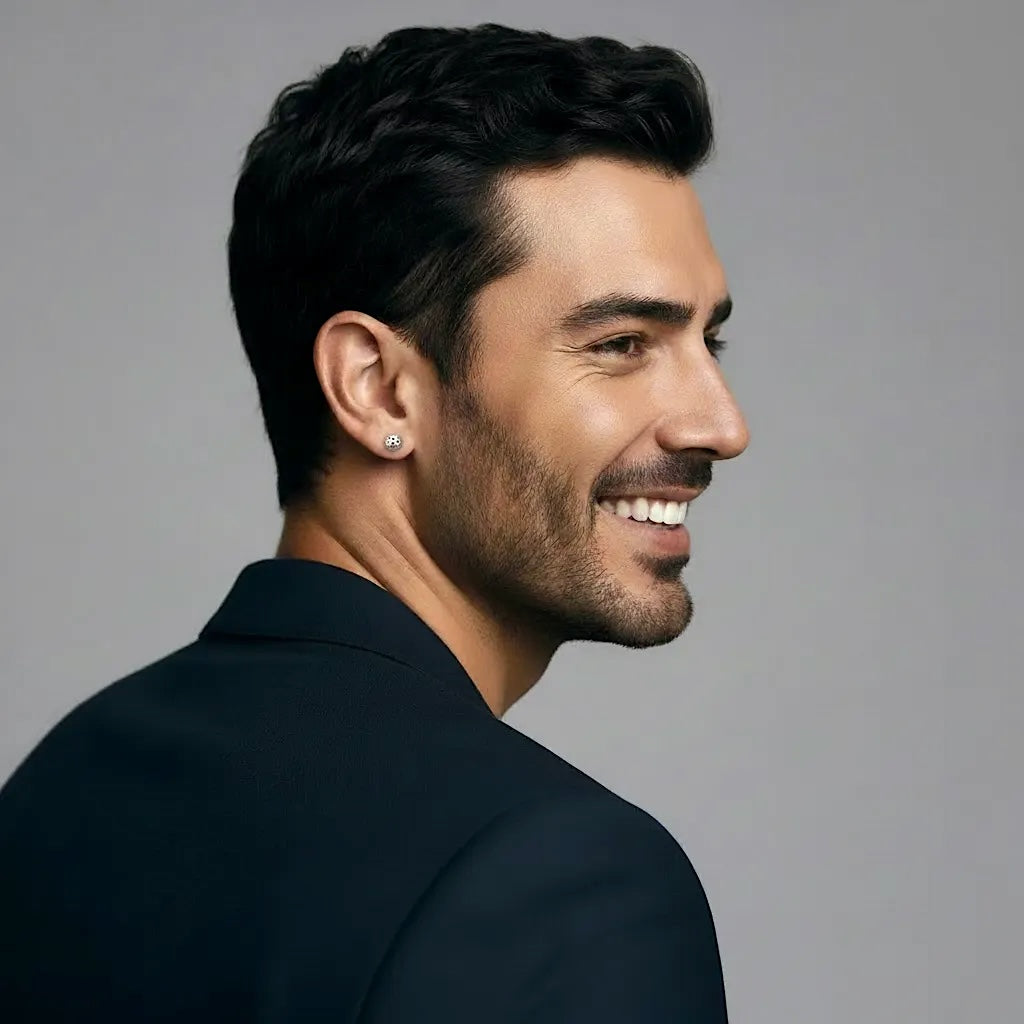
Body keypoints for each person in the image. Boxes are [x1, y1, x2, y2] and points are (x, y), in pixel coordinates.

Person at [0, 22, 749, 1022]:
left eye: (709, 342)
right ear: (380, 389)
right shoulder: (563, 879)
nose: (721, 424)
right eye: (621, 343)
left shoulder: (59, 789)